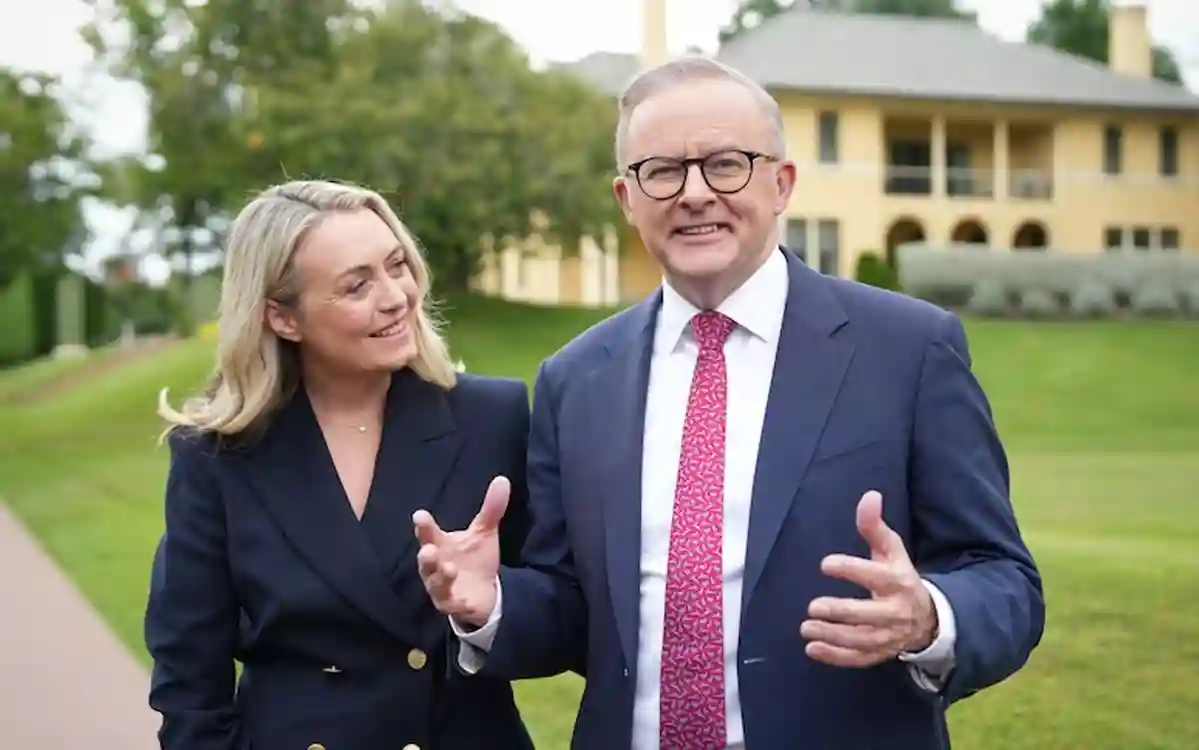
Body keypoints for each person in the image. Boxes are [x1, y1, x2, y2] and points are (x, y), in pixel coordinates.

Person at [413, 57, 1046, 750]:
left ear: (782, 183)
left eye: (726, 164)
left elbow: (1003, 580)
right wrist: (492, 604)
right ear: (627, 198)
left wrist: (930, 615)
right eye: (662, 171)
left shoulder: (908, 350)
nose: (694, 193)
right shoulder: (575, 380)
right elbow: (574, 614)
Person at [145, 180, 535, 750]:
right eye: (357, 285)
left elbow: (566, 618)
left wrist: (489, 611)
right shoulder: (217, 456)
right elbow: (187, 680)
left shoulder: (492, 418)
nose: (395, 296)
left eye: (396, 265)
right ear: (283, 318)